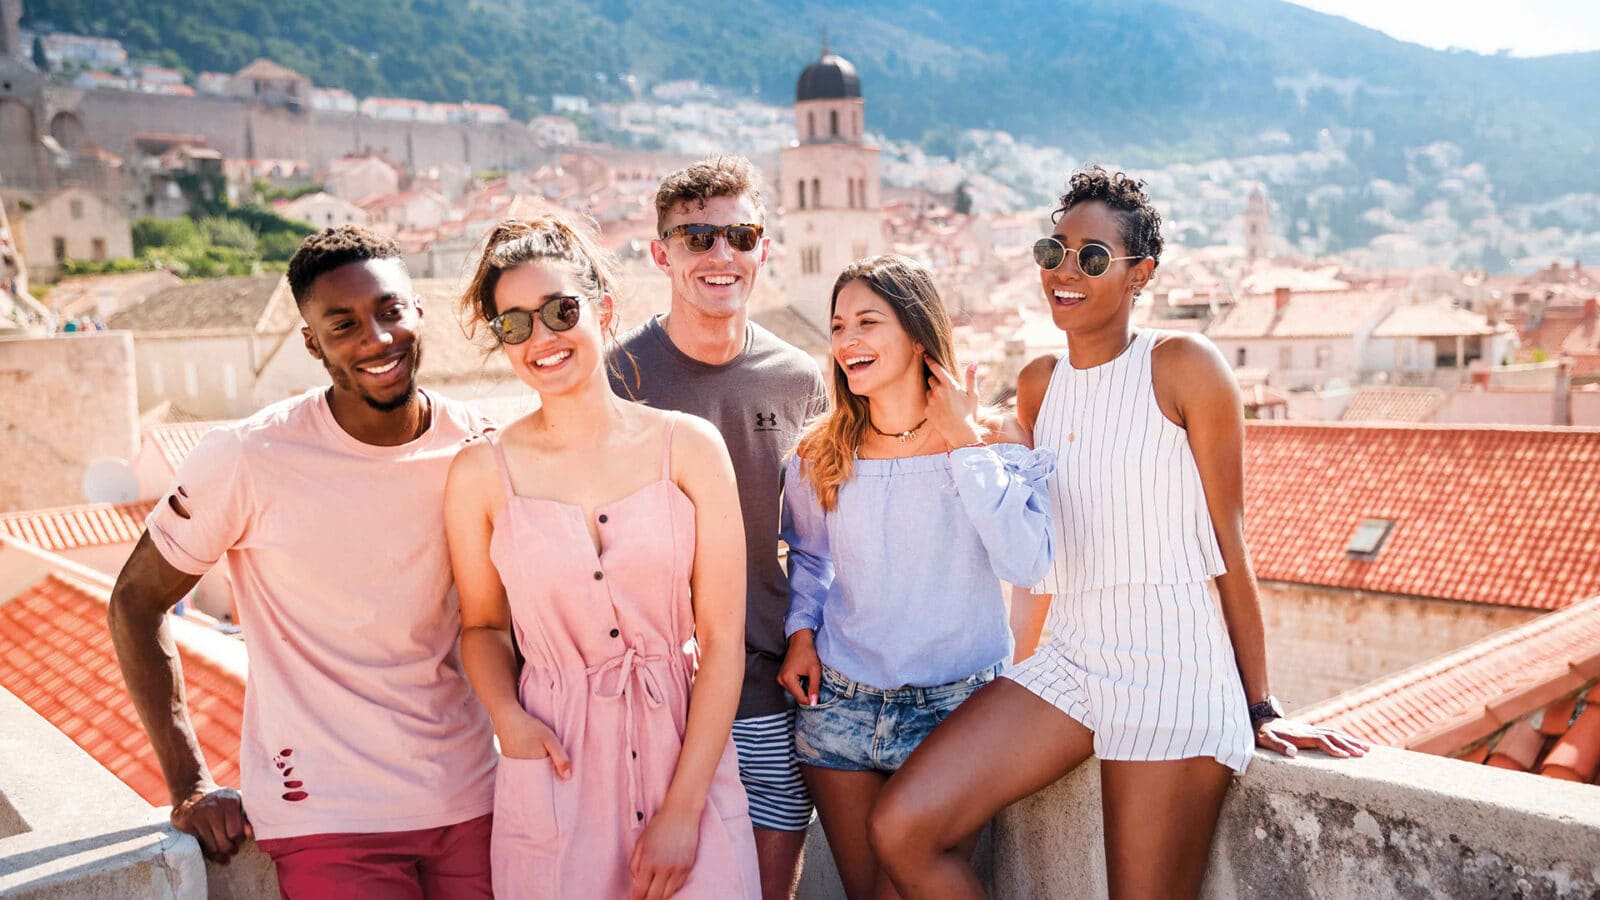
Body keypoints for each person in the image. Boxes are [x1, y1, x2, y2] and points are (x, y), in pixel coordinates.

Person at [869, 169, 1370, 899]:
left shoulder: (1185, 366)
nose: (1065, 273)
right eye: (1054, 251)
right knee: (902, 827)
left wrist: (1260, 704)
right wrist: (1021, 666)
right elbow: (1039, 554)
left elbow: (1230, 544)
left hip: (1172, 669)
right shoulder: (1039, 383)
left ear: (1143, 275)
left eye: (1093, 257)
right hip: (1070, 662)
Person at [108, 226, 497, 897]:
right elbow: (135, 603)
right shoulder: (247, 457)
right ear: (312, 341)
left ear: (418, 311)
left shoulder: (480, 446)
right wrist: (190, 782)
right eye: (343, 324)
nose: (375, 338)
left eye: (390, 311)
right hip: (328, 814)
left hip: (477, 796)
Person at [445, 215, 760, 899]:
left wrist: (682, 812)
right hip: (556, 771)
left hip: (688, 760)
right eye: (514, 324)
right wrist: (510, 720)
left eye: (560, 311)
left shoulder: (692, 448)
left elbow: (723, 641)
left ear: (604, 310)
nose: (542, 339)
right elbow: (482, 629)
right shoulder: (478, 474)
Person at [775, 255, 1055, 900]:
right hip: (838, 707)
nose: (848, 341)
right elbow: (812, 560)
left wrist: (962, 442)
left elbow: (1028, 563)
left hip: (955, 713)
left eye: (868, 322)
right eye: (839, 326)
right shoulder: (821, 453)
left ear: (917, 333)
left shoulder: (991, 438)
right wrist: (800, 634)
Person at [610, 155, 828, 900]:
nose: (720, 254)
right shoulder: (620, 378)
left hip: (768, 676)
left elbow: (820, 535)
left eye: (739, 234)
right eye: (697, 237)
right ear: (660, 253)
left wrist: (804, 635)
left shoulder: (798, 377)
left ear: (764, 246)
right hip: (655, 685)